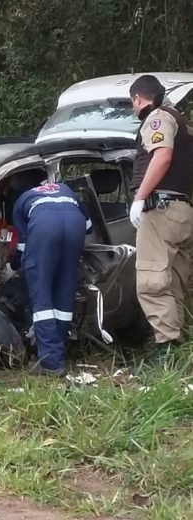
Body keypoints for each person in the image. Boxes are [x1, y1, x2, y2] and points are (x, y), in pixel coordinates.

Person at [127, 74, 193, 361]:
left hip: (161, 210)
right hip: (182, 212)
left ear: (138, 98)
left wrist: (140, 197)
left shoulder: (157, 118)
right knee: (176, 280)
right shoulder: (183, 125)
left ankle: (166, 350)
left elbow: (162, 156)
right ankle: (178, 346)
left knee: (152, 281)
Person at [10, 174, 92, 377]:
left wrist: (15, 265)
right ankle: (60, 348)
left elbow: (22, 245)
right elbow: (88, 226)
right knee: (65, 289)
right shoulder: (63, 188)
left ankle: (50, 362)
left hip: (45, 227)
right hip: (75, 226)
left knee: (41, 296)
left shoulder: (21, 201)